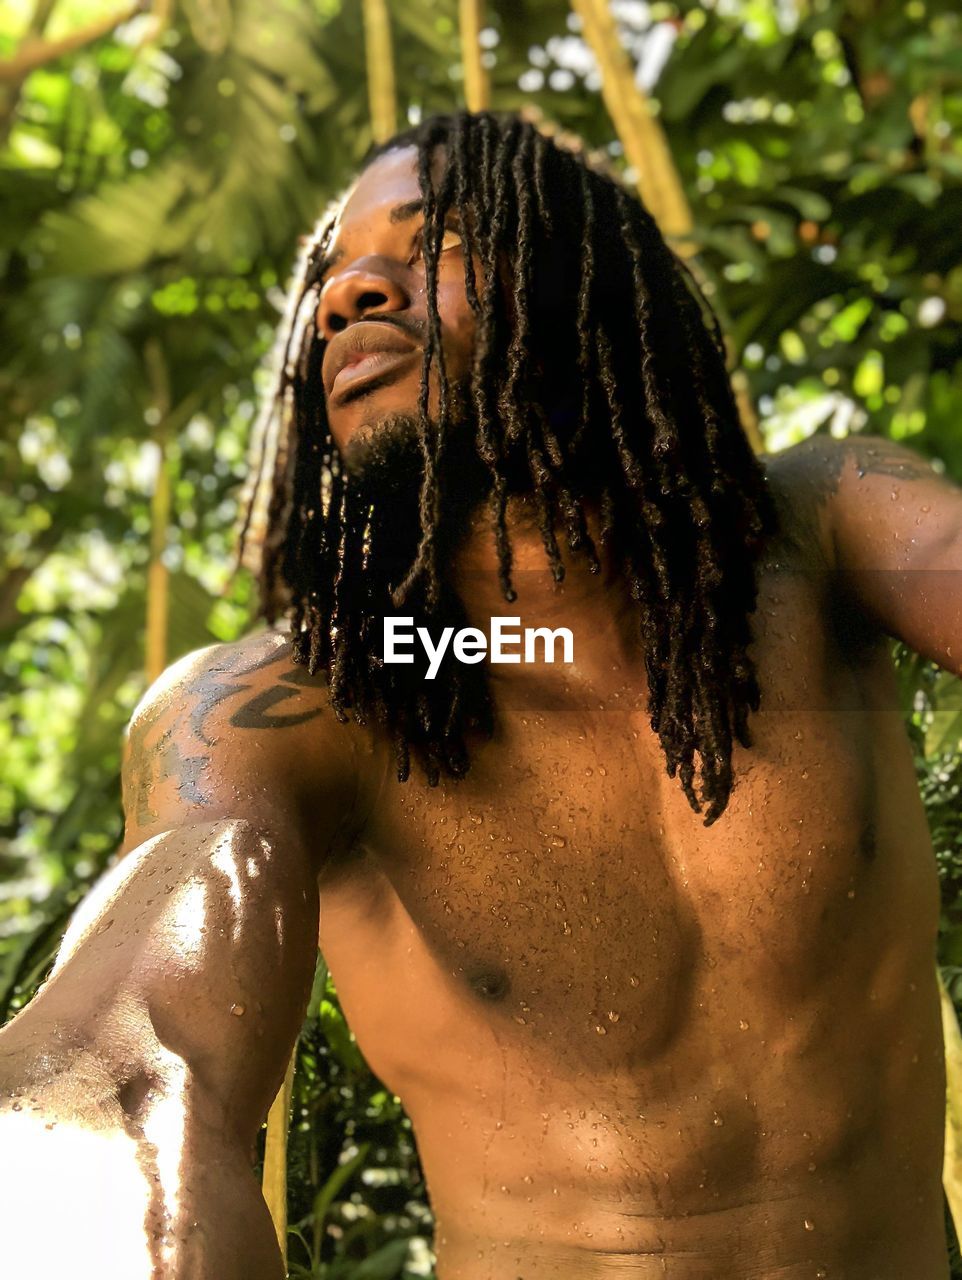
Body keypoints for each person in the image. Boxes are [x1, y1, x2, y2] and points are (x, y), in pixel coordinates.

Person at [1, 108, 960, 1279]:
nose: (349, 295)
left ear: (571, 272)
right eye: (334, 279)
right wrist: (84, 1161)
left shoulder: (824, 532)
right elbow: (136, 1044)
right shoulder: (324, 701)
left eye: (428, 241)